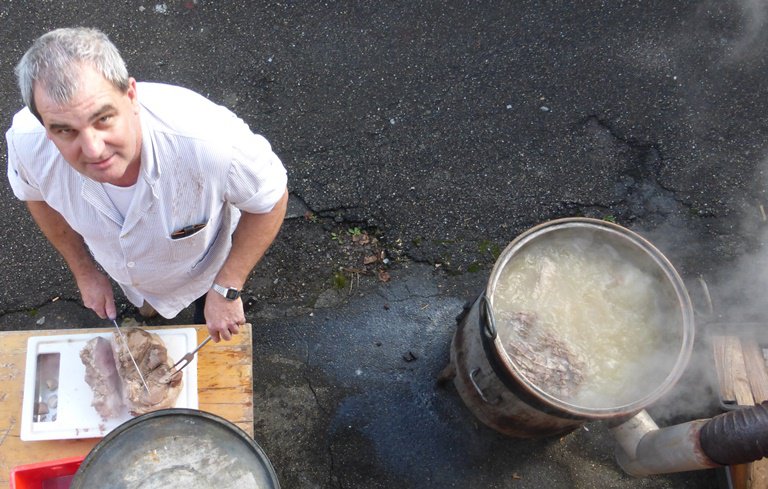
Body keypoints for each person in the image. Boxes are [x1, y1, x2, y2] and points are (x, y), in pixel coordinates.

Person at [6, 27, 288, 342]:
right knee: (145, 304)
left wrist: (227, 288)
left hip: (202, 273)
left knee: (205, 316)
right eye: (65, 131)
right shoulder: (26, 144)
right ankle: (148, 303)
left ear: (130, 96)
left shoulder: (211, 143)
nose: (94, 150)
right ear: (45, 127)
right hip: (120, 269)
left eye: (103, 119)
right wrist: (85, 271)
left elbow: (271, 200)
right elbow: (36, 196)